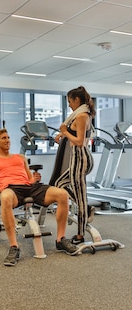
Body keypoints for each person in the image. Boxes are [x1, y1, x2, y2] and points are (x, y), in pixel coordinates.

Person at [0, 128, 78, 267]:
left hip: (30, 187)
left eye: (8, 137)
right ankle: (14, 247)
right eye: (4, 138)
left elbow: (29, 178)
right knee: (5, 197)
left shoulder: (20, 158)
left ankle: (60, 240)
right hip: (12, 189)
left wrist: (34, 179)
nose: (7, 140)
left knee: (62, 194)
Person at [54, 86, 95, 245]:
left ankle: (80, 235)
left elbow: (79, 142)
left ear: (77, 100)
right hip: (75, 159)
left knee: (81, 195)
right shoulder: (77, 116)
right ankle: (85, 206)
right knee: (59, 184)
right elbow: (74, 132)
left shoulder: (82, 116)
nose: (69, 105)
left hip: (80, 158)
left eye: (70, 101)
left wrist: (64, 130)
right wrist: (62, 133)